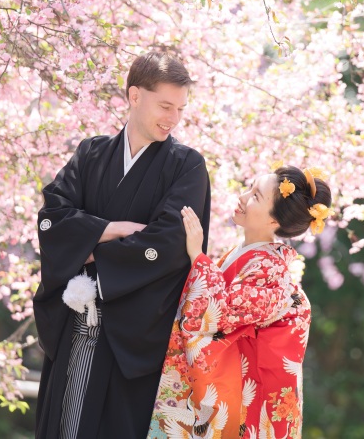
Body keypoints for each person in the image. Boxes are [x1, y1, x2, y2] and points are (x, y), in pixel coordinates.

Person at [33, 51, 211, 438]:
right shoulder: (91, 153)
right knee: (68, 422)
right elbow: (51, 218)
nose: (172, 118)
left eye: (180, 109)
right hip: (78, 320)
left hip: (135, 337)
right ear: (134, 95)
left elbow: (167, 243)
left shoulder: (187, 166)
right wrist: (111, 227)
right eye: (165, 105)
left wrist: (88, 247)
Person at [147, 165, 332, 439]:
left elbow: (217, 314)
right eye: (250, 188)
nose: (243, 197)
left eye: (256, 196)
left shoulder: (271, 271)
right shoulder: (245, 255)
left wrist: (198, 255)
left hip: (244, 403)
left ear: (274, 221)